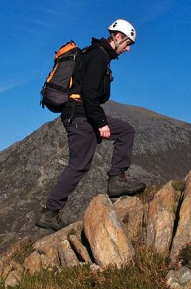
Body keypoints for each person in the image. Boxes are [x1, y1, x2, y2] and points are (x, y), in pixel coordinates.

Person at [36, 19, 146, 231]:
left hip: (80, 115)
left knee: (124, 131)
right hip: (80, 117)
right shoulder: (98, 55)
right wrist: (101, 122)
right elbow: (88, 92)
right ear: (118, 37)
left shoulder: (97, 55)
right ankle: (50, 212)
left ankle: (116, 179)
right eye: (128, 43)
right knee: (79, 165)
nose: (128, 49)